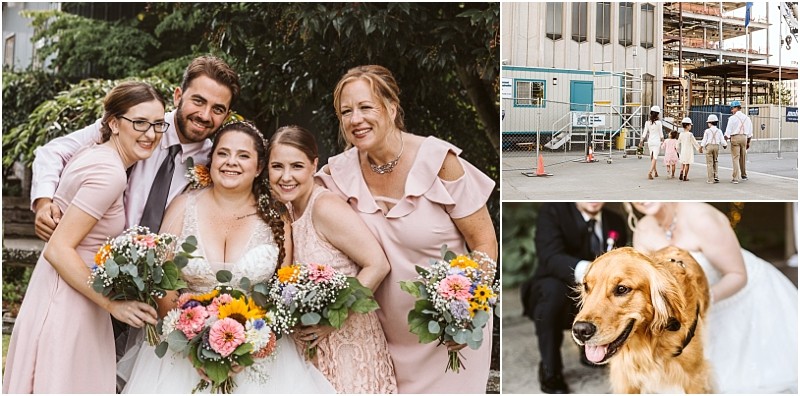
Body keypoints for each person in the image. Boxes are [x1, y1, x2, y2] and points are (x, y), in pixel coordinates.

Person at [29, 55, 240, 381]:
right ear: (177, 95)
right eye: (198, 100)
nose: (205, 115)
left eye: (218, 109)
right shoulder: (139, 122)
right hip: (90, 275)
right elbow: (53, 151)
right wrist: (44, 201)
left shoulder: (216, 159)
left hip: (154, 294)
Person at [316, 65, 497, 393]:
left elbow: (484, 241)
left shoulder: (439, 160)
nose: (356, 119)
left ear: (391, 108)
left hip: (449, 337)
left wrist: (467, 309)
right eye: (346, 111)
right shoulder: (337, 174)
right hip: (382, 342)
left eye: (365, 107)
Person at [119, 121, 336, 393]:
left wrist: (246, 348)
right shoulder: (183, 205)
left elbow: (280, 290)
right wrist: (192, 346)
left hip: (257, 353)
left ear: (259, 167)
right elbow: (163, 282)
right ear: (211, 161)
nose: (231, 162)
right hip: (183, 351)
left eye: (243, 155)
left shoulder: (276, 216)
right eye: (223, 153)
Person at [3, 82, 167, 393]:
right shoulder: (110, 174)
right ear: (114, 124)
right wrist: (114, 305)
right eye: (140, 122)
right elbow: (58, 249)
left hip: (60, 293)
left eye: (158, 124)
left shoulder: (94, 153)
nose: (150, 133)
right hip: (69, 306)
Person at [267, 125, 397, 393]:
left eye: (297, 166)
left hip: (347, 342)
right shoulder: (286, 208)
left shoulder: (324, 207)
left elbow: (377, 264)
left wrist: (334, 320)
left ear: (314, 164)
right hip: (310, 348)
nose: (286, 176)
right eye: (277, 166)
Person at [625, 202, 798, 394]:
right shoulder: (643, 230)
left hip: (741, 295)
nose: (643, 199)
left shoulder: (703, 219)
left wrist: (701, 301)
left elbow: (738, 275)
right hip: (689, 309)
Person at [520, 202, 629, 394]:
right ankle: (550, 369)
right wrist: (592, 273)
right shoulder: (553, 212)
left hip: (598, 297)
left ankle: (594, 347)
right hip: (555, 289)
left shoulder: (615, 221)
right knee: (553, 294)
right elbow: (550, 256)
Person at [723, 100, 753, 184]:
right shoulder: (747, 118)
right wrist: (748, 142)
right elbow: (750, 132)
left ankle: (735, 178)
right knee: (743, 157)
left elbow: (728, 131)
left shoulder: (732, 118)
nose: (731, 110)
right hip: (744, 138)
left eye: (732, 108)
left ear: (737, 108)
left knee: (735, 158)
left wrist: (724, 140)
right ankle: (744, 175)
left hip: (735, 138)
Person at [699, 114, 727, 184]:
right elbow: (722, 140)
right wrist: (725, 145)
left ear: (710, 123)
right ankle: (716, 176)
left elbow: (704, 140)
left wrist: (701, 146)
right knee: (715, 161)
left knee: (709, 163)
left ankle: (710, 179)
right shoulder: (719, 131)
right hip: (716, 147)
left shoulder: (707, 131)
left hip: (709, 146)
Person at [638, 105, 664, 180]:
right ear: (658, 114)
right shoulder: (659, 123)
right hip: (656, 142)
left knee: (652, 157)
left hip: (650, 141)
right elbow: (661, 133)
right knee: (655, 157)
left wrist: (641, 141)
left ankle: (655, 172)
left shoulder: (647, 123)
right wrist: (663, 140)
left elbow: (644, 133)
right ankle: (650, 172)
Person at [676, 117, 700, 182]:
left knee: (683, 163)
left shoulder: (681, 134)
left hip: (683, 151)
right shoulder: (690, 134)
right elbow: (695, 142)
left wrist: (677, 148)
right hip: (688, 151)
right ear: (687, 126)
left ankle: (681, 172)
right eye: (690, 125)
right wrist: (699, 148)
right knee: (687, 164)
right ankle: (685, 176)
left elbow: (678, 142)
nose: (690, 127)